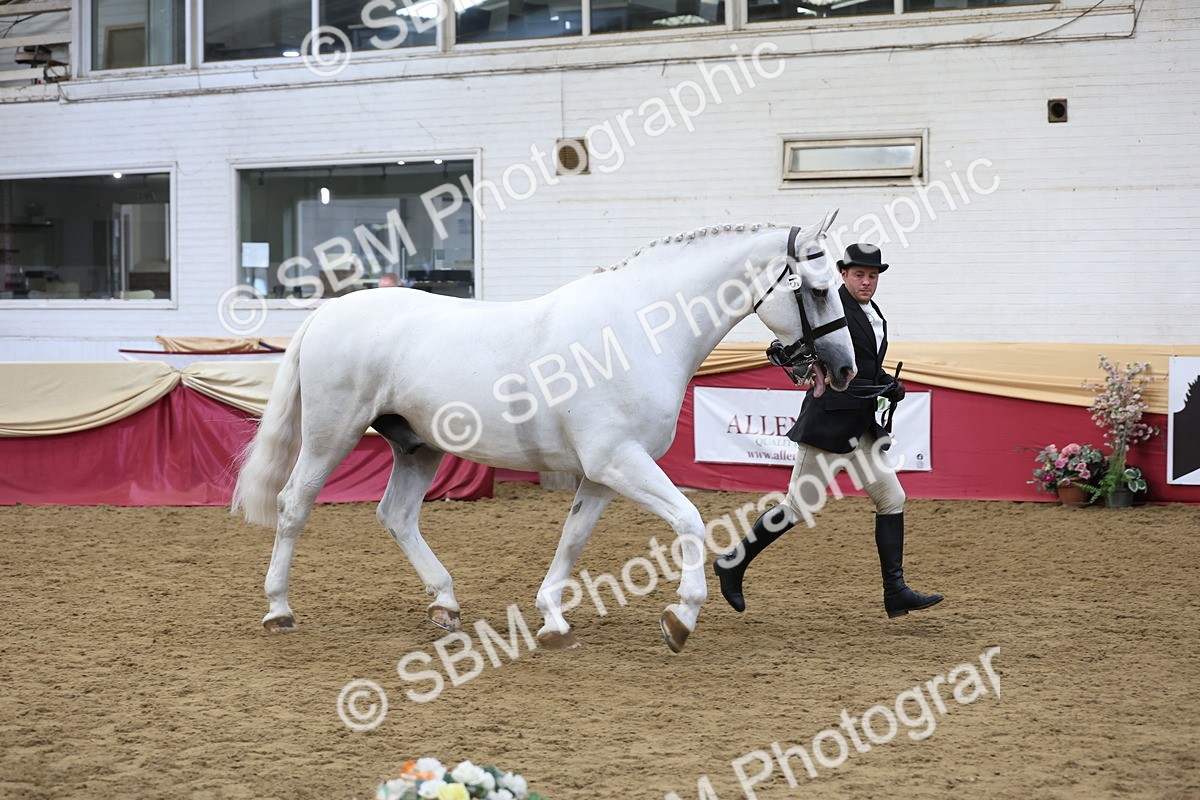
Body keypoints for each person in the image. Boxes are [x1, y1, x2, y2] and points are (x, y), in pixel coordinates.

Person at [712, 243, 944, 619]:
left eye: (872, 276)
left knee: (892, 498)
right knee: (796, 508)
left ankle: (895, 591)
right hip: (830, 426)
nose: (866, 282)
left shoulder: (874, 314)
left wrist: (886, 383)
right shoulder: (829, 310)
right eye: (859, 275)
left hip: (862, 428)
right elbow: (810, 356)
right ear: (843, 274)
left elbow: (861, 364)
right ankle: (732, 563)